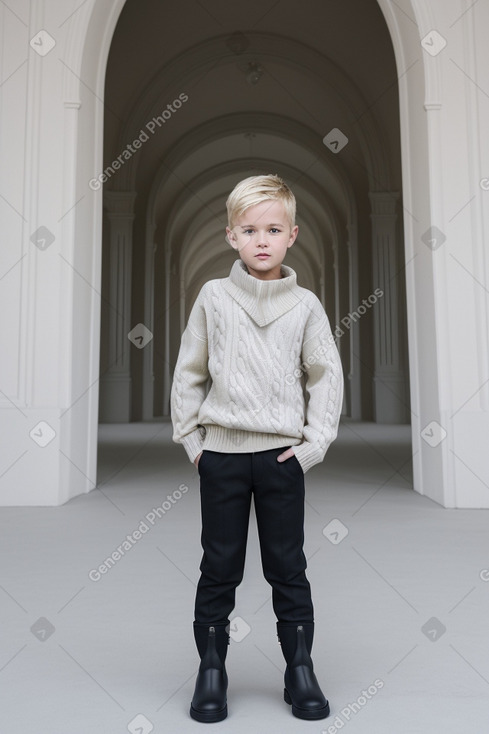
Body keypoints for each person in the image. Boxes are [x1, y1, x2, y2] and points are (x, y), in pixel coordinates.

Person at [170, 173, 344, 723]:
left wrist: (313, 445)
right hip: (221, 456)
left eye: (273, 228)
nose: (261, 239)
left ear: (293, 234)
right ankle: (212, 671)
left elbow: (326, 376)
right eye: (250, 230)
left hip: (280, 460)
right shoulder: (214, 297)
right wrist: (195, 442)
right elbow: (189, 371)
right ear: (231, 236)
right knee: (219, 565)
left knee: (287, 566)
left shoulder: (306, 306)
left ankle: (300, 671)